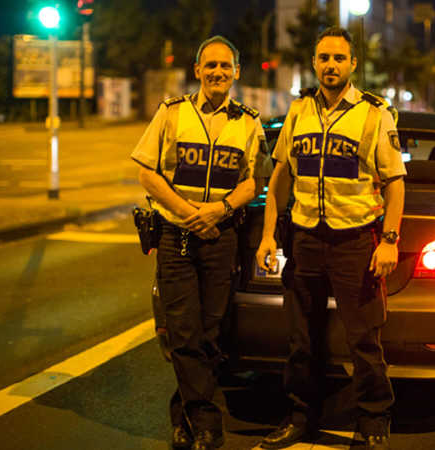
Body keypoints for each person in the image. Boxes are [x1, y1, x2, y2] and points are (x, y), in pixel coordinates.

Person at [256, 26, 406, 450]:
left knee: (363, 339)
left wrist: (390, 239)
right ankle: (301, 418)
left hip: (355, 242)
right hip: (304, 239)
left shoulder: (376, 113)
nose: (330, 66)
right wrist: (269, 235)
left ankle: (374, 419)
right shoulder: (300, 110)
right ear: (314, 62)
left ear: (353, 64)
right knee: (301, 340)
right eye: (323, 58)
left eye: (339, 58)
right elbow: (281, 176)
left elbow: (395, 183)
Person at [131, 35, 270, 450]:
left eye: (225, 67)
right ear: (197, 71)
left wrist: (221, 209)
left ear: (236, 73)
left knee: (210, 334)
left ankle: (183, 415)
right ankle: (207, 423)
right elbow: (146, 172)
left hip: (220, 236)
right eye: (210, 66)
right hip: (177, 237)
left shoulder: (248, 121)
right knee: (182, 332)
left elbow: (255, 180)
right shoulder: (172, 113)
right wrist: (189, 212)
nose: (217, 73)